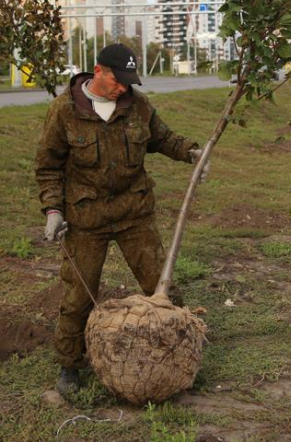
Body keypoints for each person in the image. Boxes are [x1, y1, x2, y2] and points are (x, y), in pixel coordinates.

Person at [35, 43, 207, 395]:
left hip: (134, 214)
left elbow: (163, 138)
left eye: (129, 82)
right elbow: (48, 166)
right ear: (98, 71)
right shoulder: (64, 110)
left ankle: (178, 354)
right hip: (86, 220)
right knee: (79, 297)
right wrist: (53, 210)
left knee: (162, 286)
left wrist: (192, 153)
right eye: (118, 80)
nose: (123, 88)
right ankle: (70, 366)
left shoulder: (137, 106)